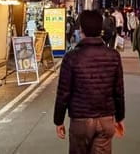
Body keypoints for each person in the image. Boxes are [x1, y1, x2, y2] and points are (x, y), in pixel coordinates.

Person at [54, 10, 126, 154]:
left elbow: (63, 93)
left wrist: (59, 120)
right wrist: (120, 117)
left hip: (80, 120)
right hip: (105, 119)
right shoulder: (113, 56)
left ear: (81, 29)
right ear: (101, 29)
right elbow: (118, 90)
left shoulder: (71, 57)